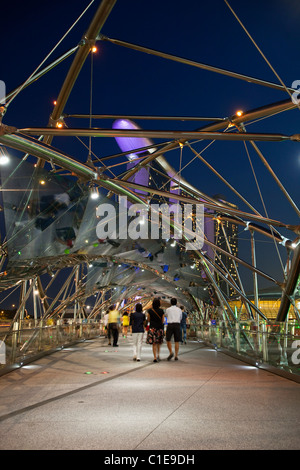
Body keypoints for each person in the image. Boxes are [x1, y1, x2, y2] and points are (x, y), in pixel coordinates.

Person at [146, 298, 164, 362]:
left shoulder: (150, 311)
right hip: (159, 328)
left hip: (152, 328)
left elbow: (148, 319)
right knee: (158, 342)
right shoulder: (161, 311)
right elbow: (163, 320)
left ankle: (155, 357)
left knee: (154, 343)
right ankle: (158, 354)